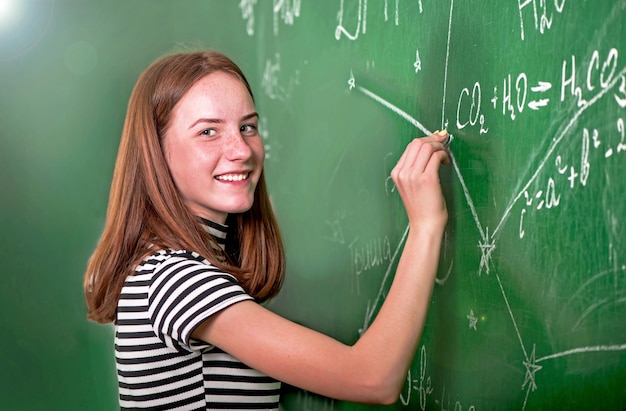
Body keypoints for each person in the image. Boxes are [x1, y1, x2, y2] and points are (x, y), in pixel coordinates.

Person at [84, 50, 450, 410]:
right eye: (208, 132)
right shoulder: (175, 278)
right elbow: (373, 378)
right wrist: (426, 225)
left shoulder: (169, 269)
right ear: (157, 154)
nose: (241, 149)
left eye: (247, 127)